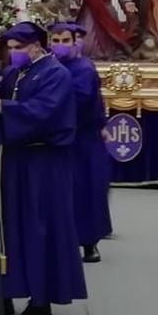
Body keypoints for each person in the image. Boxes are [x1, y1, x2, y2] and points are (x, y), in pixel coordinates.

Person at [0, 22, 86, 315]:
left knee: (40, 224)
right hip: (13, 158)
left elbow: (43, 112)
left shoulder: (55, 74)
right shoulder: (14, 73)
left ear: (36, 45)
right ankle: (3, 293)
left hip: (42, 160)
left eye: (18, 48)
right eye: (9, 49)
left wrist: (2, 106)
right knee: (5, 224)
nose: (13, 54)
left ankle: (41, 298)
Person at [48, 24, 110, 263]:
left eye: (65, 40)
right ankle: (61, 240)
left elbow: (86, 99)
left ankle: (89, 243)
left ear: (75, 42)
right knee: (61, 191)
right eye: (56, 40)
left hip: (83, 137)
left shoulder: (84, 68)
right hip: (58, 137)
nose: (60, 45)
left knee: (87, 190)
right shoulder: (49, 66)